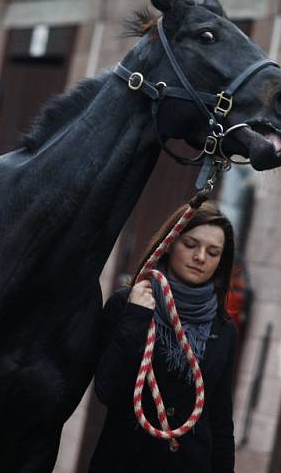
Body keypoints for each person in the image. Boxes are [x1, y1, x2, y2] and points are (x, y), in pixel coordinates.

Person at [90, 202, 237, 473]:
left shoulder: (223, 329)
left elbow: (220, 418)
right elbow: (107, 389)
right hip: (124, 462)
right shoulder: (126, 305)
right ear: (170, 243)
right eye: (191, 245)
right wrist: (136, 316)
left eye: (213, 252)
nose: (201, 257)